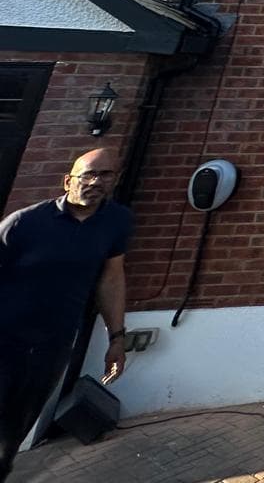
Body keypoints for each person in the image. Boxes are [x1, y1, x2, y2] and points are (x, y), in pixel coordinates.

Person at [0, 148, 132, 479]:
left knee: (15, 428)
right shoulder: (24, 223)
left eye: (105, 175)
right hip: (5, 337)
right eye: (88, 174)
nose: (95, 182)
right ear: (68, 180)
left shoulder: (117, 221)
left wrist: (116, 337)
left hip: (53, 343)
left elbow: (111, 277)